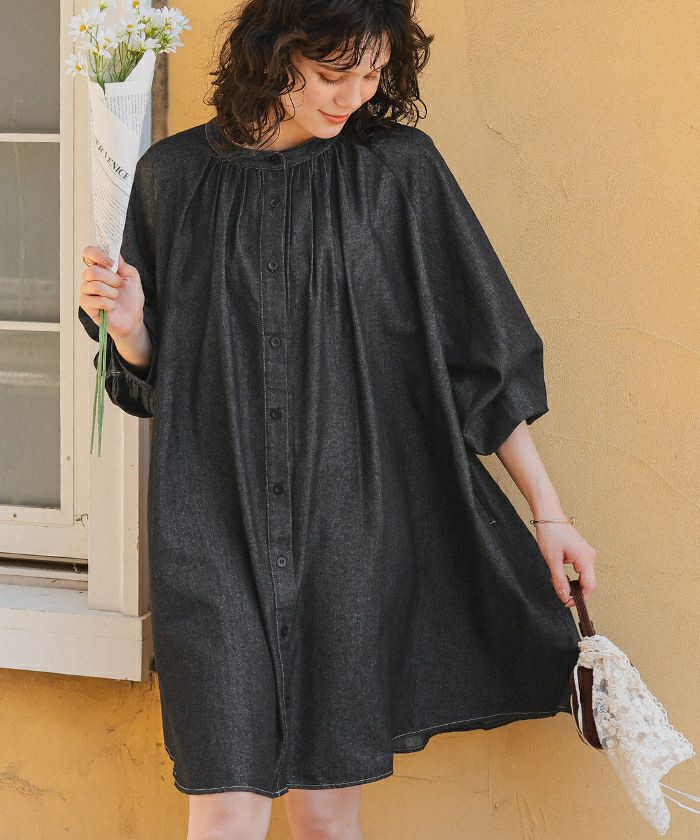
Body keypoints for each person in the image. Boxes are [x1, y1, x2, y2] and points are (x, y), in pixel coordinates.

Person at [78, 1, 597, 838]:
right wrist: (132, 329)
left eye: (373, 75)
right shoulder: (171, 179)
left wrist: (549, 512)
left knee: (324, 812)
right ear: (273, 54)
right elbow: (147, 381)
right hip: (208, 528)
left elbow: (480, 355)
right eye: (331, 74)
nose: (353, 96)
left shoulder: (397, 173)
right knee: (224, 807)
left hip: (351, 531)